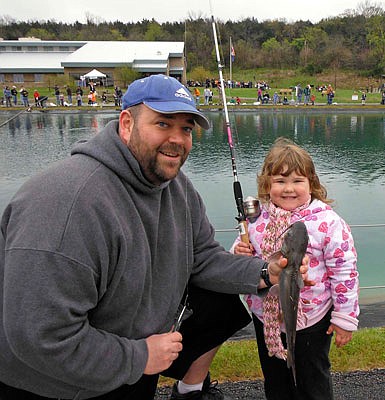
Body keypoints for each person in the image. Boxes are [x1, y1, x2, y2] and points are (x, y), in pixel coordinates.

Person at [0, 75, 310, 400]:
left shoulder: (175, 188)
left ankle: (186, 387)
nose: (177, 139)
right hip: (49, 383)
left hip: (129, 363)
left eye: (186, 128)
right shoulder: (68, 203)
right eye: (163, 124)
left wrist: (265, 272)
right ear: (125, 124)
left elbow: (202, 259)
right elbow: (40, 336)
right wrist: (140, 356)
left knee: (219, 304)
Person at [231, 138, 359, 400]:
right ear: (267, 185)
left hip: (312, 320)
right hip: (265, 317)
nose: (288, 189)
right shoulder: (258, 218)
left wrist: (345, 317)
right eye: (280, 181)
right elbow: (246, 252)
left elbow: (344, 272)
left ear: (312, 183)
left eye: (297, 181)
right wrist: (238, 250)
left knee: (313, 381)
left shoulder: (329, 223)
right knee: (276, 379)